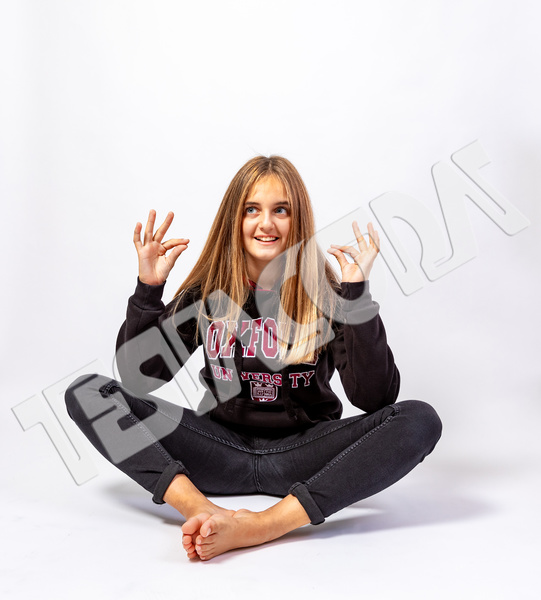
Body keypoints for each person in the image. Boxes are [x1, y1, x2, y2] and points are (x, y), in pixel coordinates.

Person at [65, 155, 442, 561]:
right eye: (252, 210)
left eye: (281, 209)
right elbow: (141, 378)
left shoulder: (328, 295)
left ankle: (264, 526)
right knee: (87, 393)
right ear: (234, 218)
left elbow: (375, 398)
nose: (266, 223)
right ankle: (201, 509)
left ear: (298, 220)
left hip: (305, 454)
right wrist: (148, 289)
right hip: (217, 451)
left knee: (420, 419)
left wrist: (356, 297)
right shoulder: (208, 295)